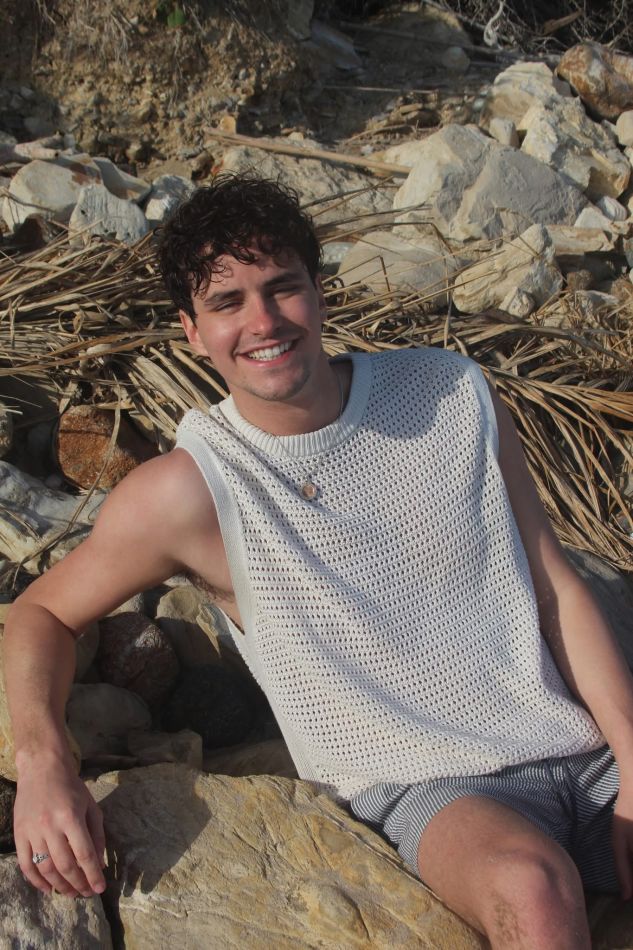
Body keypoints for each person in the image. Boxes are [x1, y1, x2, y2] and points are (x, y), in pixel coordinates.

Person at [4, 174, 633, 948]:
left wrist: (630, 758)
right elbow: (40, 613)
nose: (263, 322)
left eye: (282, 288)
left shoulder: (449, 394)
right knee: (531, 892)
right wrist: (44, 766)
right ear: (192, 331)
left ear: (319, 291)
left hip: (581, 747)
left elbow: (552, 588)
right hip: (434, 786)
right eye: (227, 303)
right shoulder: (191, 491)